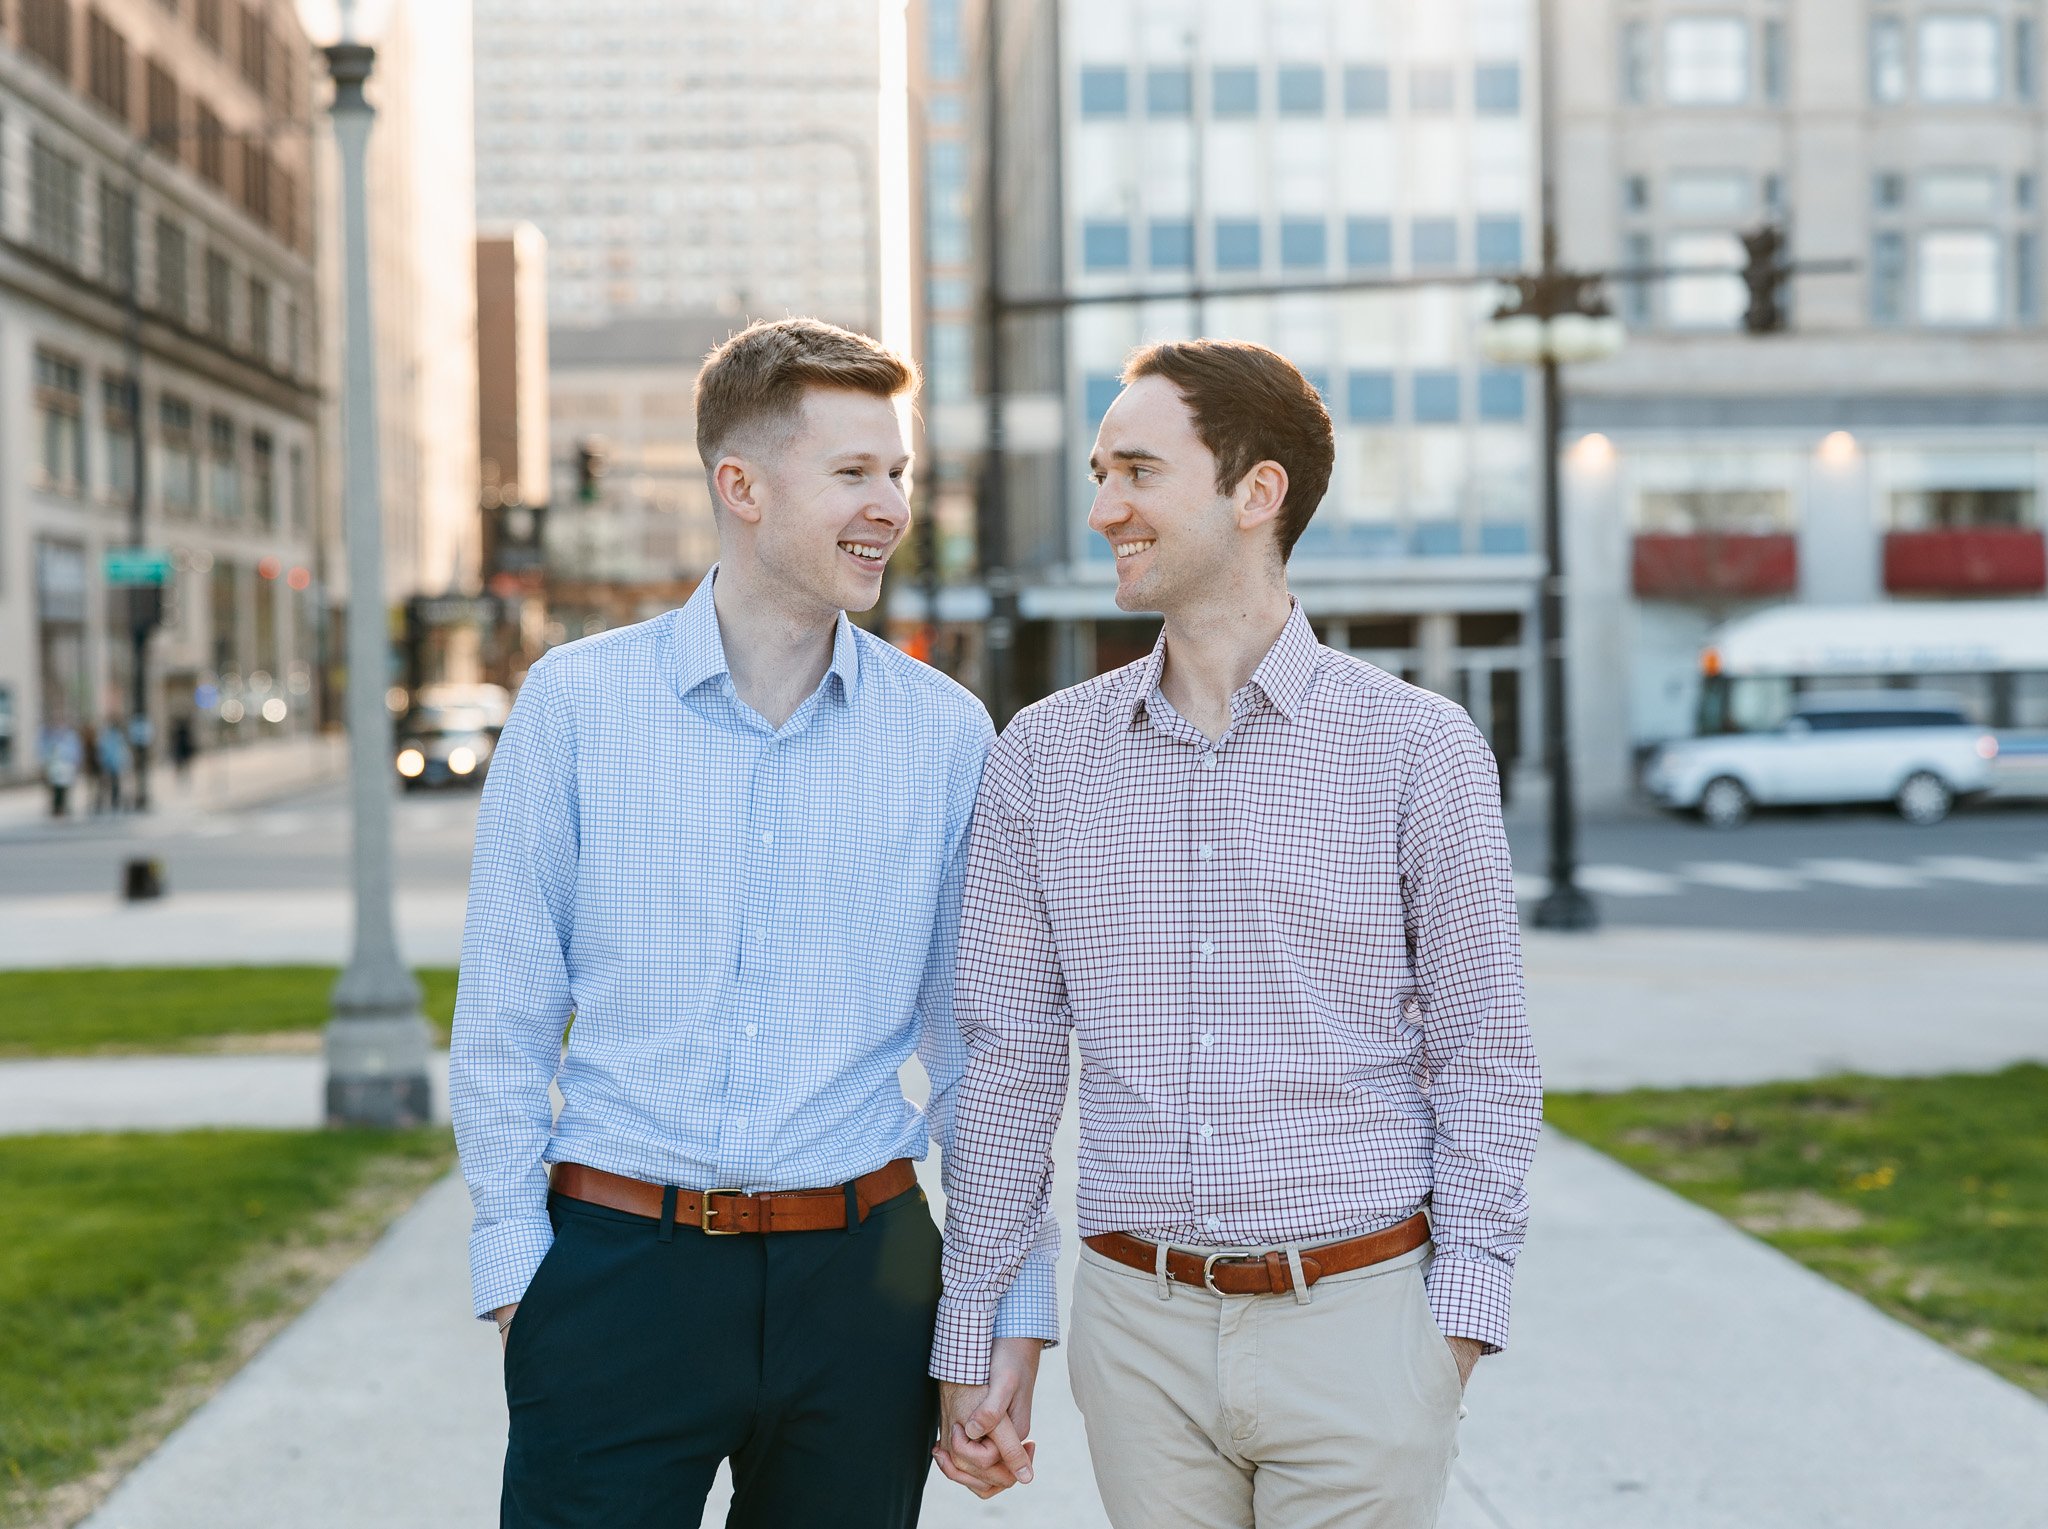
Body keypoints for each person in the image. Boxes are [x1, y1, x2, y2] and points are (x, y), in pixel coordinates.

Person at [451, 317, 1056, 1529]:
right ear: (741, 485)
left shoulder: (945, 734)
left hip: (861, 1278)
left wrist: (1004, 1302)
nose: (890, 504)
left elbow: (983, 1052)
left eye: (896, 472)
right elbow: (504, 1020)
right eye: (853, 473)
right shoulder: (577, 704)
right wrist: (521, 1277)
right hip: (618, 1272)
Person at [930, 340, 1542, 1526]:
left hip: (1361, 1322)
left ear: (1255, 493)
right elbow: (1005, 1062)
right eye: (1101, 471)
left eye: (1138, 472)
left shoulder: (1417, 749)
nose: (1103, 506)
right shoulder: (1041, 757)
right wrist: (984, 1323)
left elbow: (1481, 1053)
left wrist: (1456, 1325)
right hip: (1135, 1333)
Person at [43, 723, 81, 818]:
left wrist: (76, 763)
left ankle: (64, 806)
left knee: (65, 788)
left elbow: (75, 752)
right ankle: (57, 808)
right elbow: (48, 753)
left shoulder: (71, 738)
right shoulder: (53, 739)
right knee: (57, 789)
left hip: (67, 768)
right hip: (56, 769)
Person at [96, 720, 129, 813]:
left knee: (114, 785)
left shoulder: (115, 736)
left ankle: (113, 802)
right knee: (107, 785)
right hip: (111, 764)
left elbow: (121, 750)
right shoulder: (109, 736)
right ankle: (103, 802)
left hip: (113, 764)